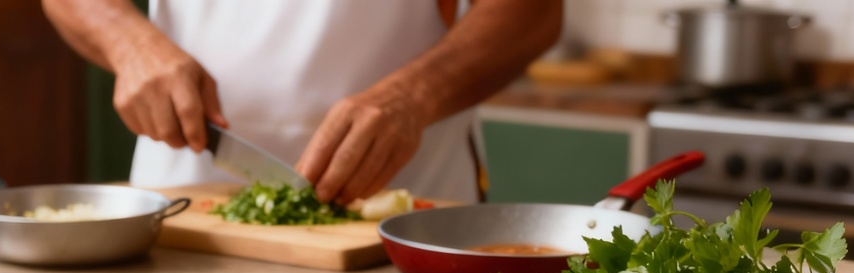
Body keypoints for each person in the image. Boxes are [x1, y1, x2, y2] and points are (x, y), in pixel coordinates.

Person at [43, 0, 563, 205]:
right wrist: (125, 38)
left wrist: (412, 95)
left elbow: (531, 12)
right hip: (181, 205)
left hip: (397, 217)